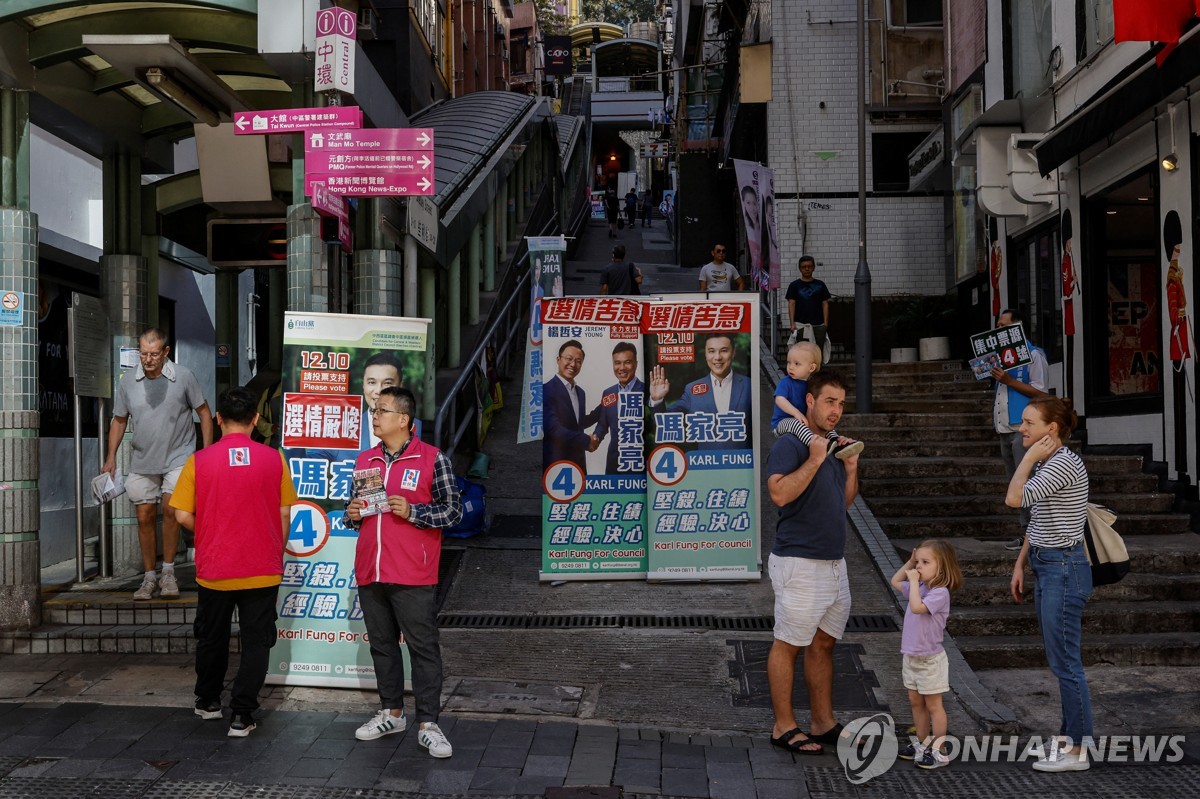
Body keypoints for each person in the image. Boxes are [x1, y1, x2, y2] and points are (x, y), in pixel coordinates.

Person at [170, 386, 297, 738]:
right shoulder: (275, 459)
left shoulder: (199, 460)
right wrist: (275, 549)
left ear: (219, 419)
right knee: (257, 641)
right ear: (256, 420)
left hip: (215, 568)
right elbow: (284, 513)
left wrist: (208, 531)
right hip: (262, 567)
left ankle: (209, 701)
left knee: (213, 637)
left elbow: (181, 515)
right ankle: (242, 714)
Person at [346, 387, 463, 757]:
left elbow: (454, 512)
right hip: (371, 570)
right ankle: (391, 711)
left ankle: (428, 723)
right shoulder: (365, 460)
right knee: (382, 647)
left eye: (381, 410)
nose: (374, 416)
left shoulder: (432, 459)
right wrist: (352, 514)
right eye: (373, 410)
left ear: (404, 420)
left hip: (414, 573)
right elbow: (357, 512)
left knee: (423, 649)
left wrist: (415, 512)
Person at [765, 370, 860, 755]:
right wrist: (816, 459)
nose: (836, 410)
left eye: (840, 403)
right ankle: (782, 726)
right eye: (828, 402)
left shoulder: (833, 444)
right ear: (809, 400)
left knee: (823, 644)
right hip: (798, 562)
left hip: (834, 565)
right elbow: (780, 494)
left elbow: (844, 504)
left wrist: (850, 469)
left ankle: (822, 722)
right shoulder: (792, 442)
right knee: (788, 644)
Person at [1005, 396, 1093, 773]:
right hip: (1049, 564)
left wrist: (1024, 459)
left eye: (1028, 423)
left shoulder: (1059, 465)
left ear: (1050, 430)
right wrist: (1021, 563)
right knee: (1061, 661)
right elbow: (1037, 517)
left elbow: (1014, 499)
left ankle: (1078, 750)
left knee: (1067, 664)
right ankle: (1067, 737)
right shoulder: (1051, 463)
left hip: (1064, 569)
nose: (1021, 428)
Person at [102, 328, 213, 601]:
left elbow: (204, 412)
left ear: (166, 352)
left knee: (171, 509)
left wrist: (207, 452)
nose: (147, 359)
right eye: (143, 353)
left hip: (179, 455)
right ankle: (149, 576)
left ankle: (169, 572)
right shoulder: (128, 381)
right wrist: (110, 457)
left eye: (153, 354)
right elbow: (119, 420)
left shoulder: (184, 377)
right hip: (143, 459)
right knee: (144, 517)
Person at [890, 539, 963, 769]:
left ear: (941, 567)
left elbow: (917, 608)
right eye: (918, 561)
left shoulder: (940, 593)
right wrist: (909, 563)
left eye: (925, 562)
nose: (918, 567)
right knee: (915, 702)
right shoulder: (919, 587)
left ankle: (939, 750)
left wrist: (913, 582)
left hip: (931, 660)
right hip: (911, 656)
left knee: (934, 705)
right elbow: (895, 580)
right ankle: (922, 743)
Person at [990, 309, 1049, 549]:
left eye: (1004, 326)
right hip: (1004, 425)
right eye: (998, 326)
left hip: (1025, 428)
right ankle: (1027, 533)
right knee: (1016, 481)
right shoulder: (1001, 356)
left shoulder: (1033, 354)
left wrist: (1010, 381)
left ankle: (1036, 534)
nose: (999, 330)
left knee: (1028, 479)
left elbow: (1042, 392)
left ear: (1017, 327)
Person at [648, 334, 752, 451]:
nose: (717, 357)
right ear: (706, 355)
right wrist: (657, 400)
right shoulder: (692, 389)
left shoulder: (749, 386)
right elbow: (664, 422)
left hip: (743, 464)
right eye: (711, 351)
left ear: (733, 353)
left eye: (724, 351)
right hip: (706, 465)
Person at [772, 341, 863, 460]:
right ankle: (816, 445)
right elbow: (779, 399)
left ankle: (837, 443)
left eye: (797, 364)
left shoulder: (811, 384)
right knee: (795, 424)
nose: (791, 367)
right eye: (789, 362)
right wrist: (796, 413)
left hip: (802, 422)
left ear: (811, 367)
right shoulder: (786, 382)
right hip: (781, 422)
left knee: (828, 430)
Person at [587, 342, 645, 474]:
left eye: (627, 362)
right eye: (617, 363)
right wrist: (595, 438)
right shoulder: (609, 393)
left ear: (636, 363)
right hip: (615, 464)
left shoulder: (646, 391)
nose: (622, 368)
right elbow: (602, 424)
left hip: (640, 462)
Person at [543, 340, 599, 473]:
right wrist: (587, 441)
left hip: (578, 464)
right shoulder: (546, 390)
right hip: (556, 462)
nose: (573, 364)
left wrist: (604, 406)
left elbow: (576, 423)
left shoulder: (580, 392)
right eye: (569, 359)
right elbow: (553, 429)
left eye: (578, 361)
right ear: (558, 359)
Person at [785, 256, 831, 351]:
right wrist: (792, 324)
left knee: (818, 353)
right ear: (800, 269)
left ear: (814, 268)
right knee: (802, 353)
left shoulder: (820, 284)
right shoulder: (794, 285)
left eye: (809, 266)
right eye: (804, 266)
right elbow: (791, 303)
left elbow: (825, 304)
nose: (807, 269)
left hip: (818, 326)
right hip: (800, 325)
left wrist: (825, 324)